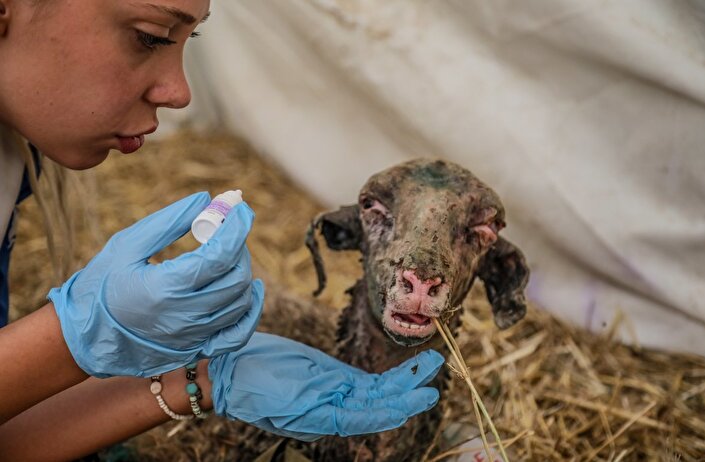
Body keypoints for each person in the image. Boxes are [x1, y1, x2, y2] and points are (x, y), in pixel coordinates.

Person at [0, 0, 444, 459]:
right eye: (150, 36)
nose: (179, 92)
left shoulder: (14, 161)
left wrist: (202, 378)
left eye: (188, 38)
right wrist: (71, 337)